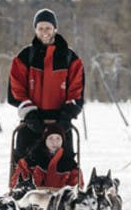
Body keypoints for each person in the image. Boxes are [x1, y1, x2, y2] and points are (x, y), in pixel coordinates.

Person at [7, 8, 85, 161]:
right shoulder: (25, 56)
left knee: (64, 166)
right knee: (25, 165)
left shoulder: (70, 58)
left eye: (48, 28)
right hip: (32, 122)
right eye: (40, 28)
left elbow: (77, 90)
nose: (45, 32)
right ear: (35, 29)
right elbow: (16, 88)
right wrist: (30, 114)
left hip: (61, 122)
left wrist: (66, 116)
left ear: (55, 28)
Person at [12, 123, 81, 189]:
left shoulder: (69, 163)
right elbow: (17, 183)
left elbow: (76, 187)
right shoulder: (31, 160)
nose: (54, 142)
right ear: (45, 140)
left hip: (60, 199)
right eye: (50, 138)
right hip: (34, 198)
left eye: (58, 138)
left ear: (63, 141)